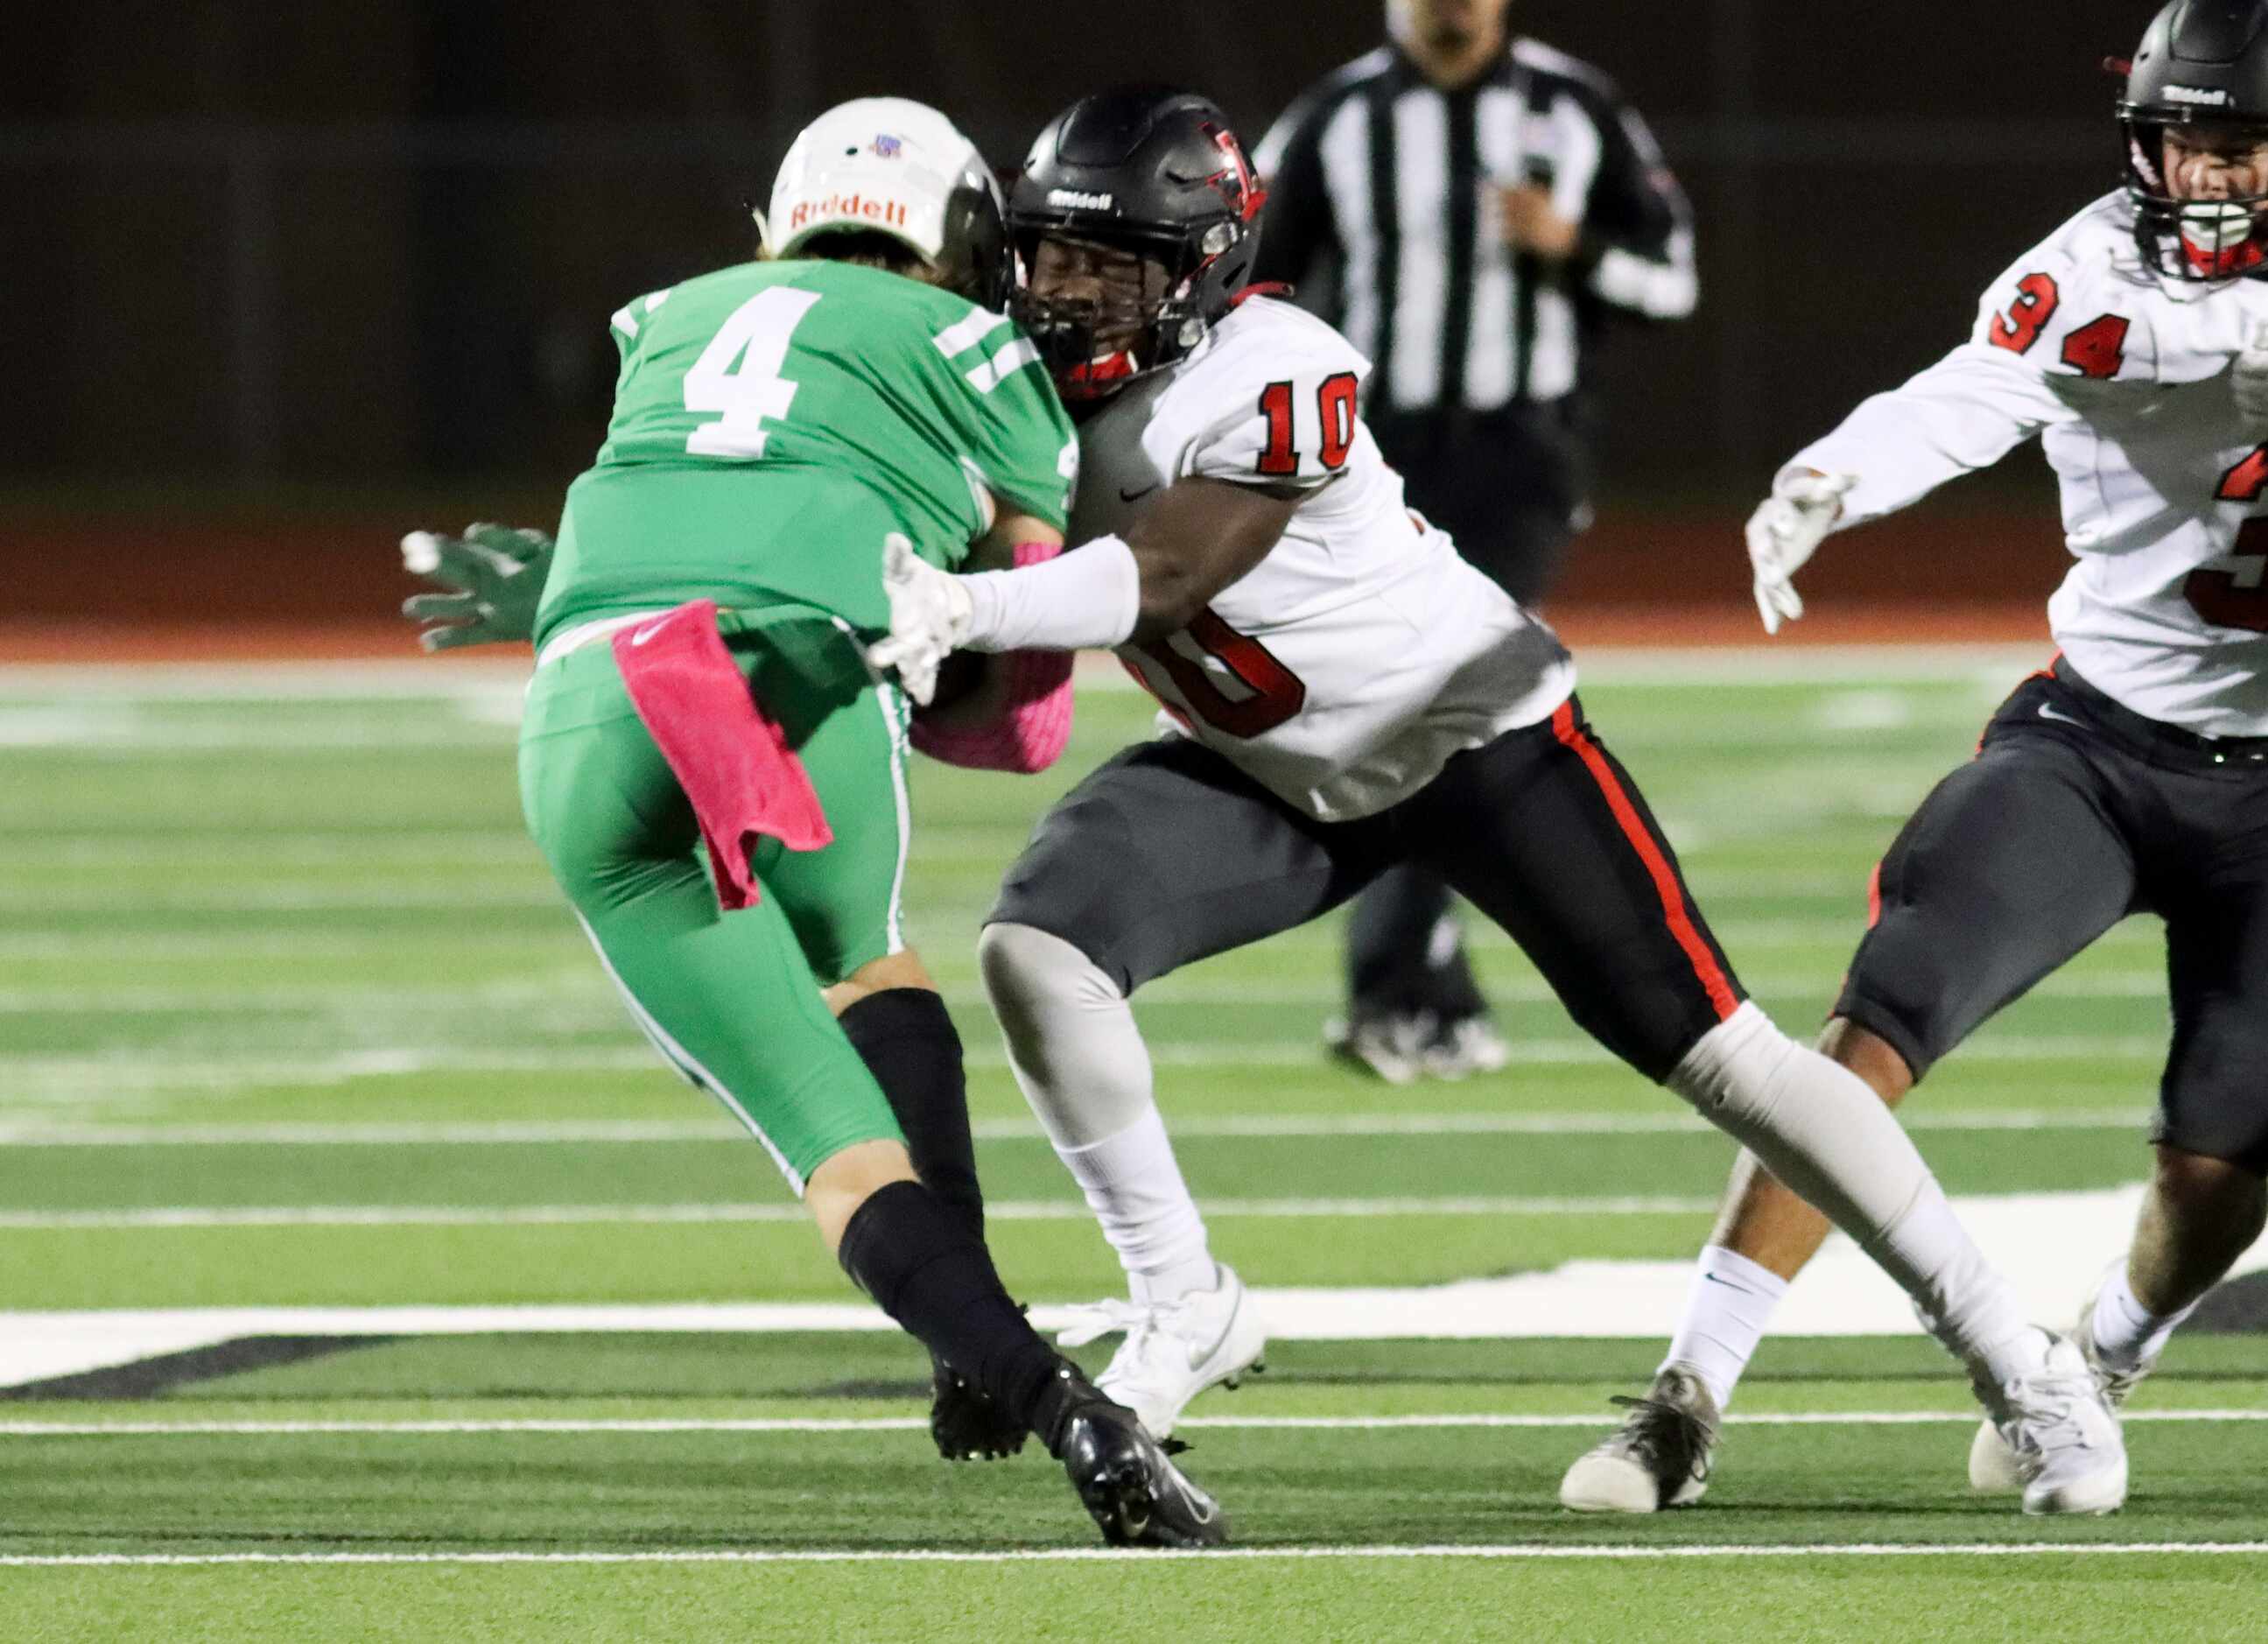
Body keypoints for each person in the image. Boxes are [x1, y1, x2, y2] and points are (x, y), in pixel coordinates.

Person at [867, 86, 2127, 1517]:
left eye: (1112, 264)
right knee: (1035, 946)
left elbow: (1160, 577)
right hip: (1268, 770)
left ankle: (2019, 1363)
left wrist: (958, 602)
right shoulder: (1002, 387)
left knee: (1729, 1057)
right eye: (1048, 256)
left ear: (1203, 264)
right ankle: (1184, 1302)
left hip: (1476, 737)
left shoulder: (1279, 359)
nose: (1067, 294)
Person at [406, 96, 1223, 1549]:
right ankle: (999, 1356)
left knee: (834, 1151)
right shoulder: (982, 347)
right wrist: (911, 650)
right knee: (871, 963)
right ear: (964, 238)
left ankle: (1040, 1391)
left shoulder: (663, 321)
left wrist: (562, 593)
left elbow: (681, 508)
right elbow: (1026, 713)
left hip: (597, 693)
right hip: (783, 671)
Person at [1560, 0, 2268, 1514]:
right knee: (1874, 1029)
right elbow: (1965, 395)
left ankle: (2100, 1360)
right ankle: (1686, 1391)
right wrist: (1832, 476)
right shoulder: (2086, 276)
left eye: (2245, 149)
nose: (2209, 180)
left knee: (2223, 1159)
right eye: (2189, 145)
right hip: (2099, 737)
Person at [1252, 0, 1698, 1083]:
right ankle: (1423, 986)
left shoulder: (1575, 105)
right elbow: (1239, 276)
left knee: (1449, 693)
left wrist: (1571, 245)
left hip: (1516, 456)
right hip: (1370, 454)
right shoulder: (1334, 117)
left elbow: (1671, 278)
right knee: (1391, 708)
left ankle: (1397, 987)